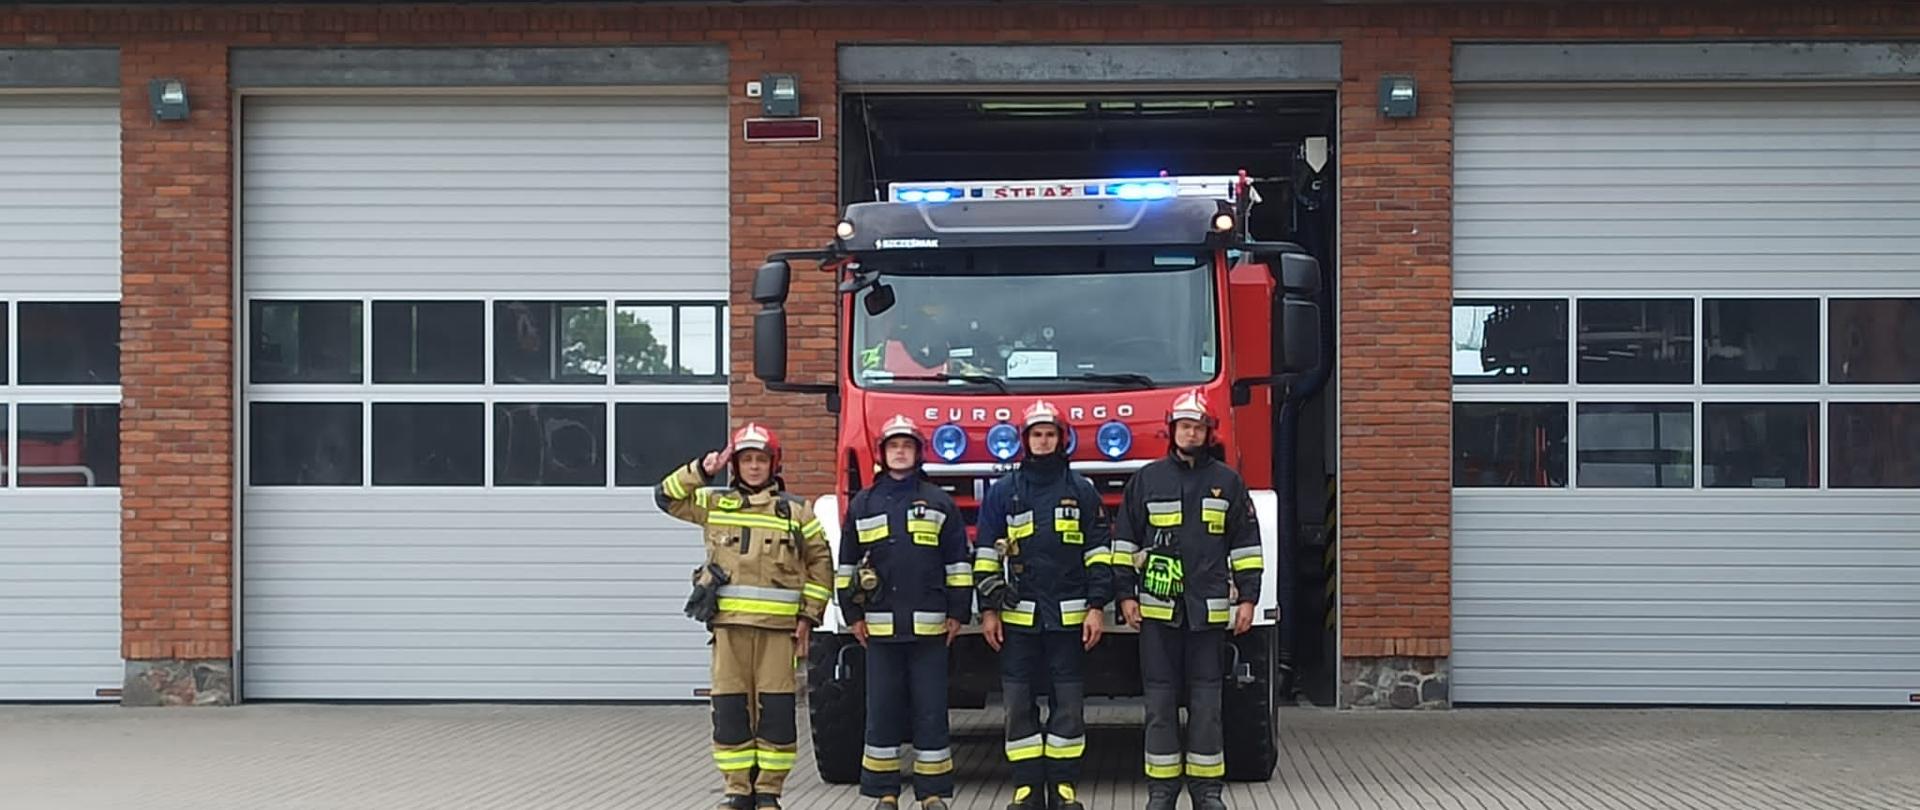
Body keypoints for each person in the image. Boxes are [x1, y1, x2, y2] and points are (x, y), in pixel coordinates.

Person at [657, 423, 833, 810]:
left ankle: (769, 791)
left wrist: (808, 617)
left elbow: (821, 565)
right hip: (728, 630)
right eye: (746, 459)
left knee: (776, 712)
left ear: (774, 464)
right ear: (735, 465)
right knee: (731, 710)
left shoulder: (796, 512)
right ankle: (737, 790)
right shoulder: (715, 503)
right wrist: (703, 470)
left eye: (761, 459)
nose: (754, 467)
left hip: (778, 634)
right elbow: (666, 497)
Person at [1113, 390, 1265, 810]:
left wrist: (1248, 600)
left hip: (1207, 618)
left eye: (1198, 427)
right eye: (1185, 426)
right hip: (1159, 619)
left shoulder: (1228, 483)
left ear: (1208, 432)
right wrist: (1125, 596)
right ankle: (1162, 792)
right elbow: (1123, 543)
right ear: (1173, 430)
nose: (1191, 433)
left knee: (1207, 709)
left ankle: (1207, 792)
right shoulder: (1147, 480)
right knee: (1159, 708)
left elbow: (1246, 546)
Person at [973, 400, 1113, 810]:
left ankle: (1064, 787)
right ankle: (1026, 787)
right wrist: (989, 609)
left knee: (1067, 706)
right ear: (1025, 441)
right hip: (1017, 620)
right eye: (1036, 434)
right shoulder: (1004, 493)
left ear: (1061, 439)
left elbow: (1098, 552)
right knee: (1018, 705)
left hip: (1069, 621)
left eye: (1050, 434)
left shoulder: (1081, 491)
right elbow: (984, 554)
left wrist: (1096, 607)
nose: (1044, 441)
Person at [836, 415, 972, 810]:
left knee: (931, 711)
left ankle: (932, 794)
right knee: (882, 712)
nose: (900, 452)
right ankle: (885, 793)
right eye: (893, 446)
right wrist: (852, 615)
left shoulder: (939, 502)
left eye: (907, 446)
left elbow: (957, 564)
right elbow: (846, 567)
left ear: (917, 453)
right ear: (882, 454)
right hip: (879, 629)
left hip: (930, 628)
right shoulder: (863, 504)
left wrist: (958, 613)